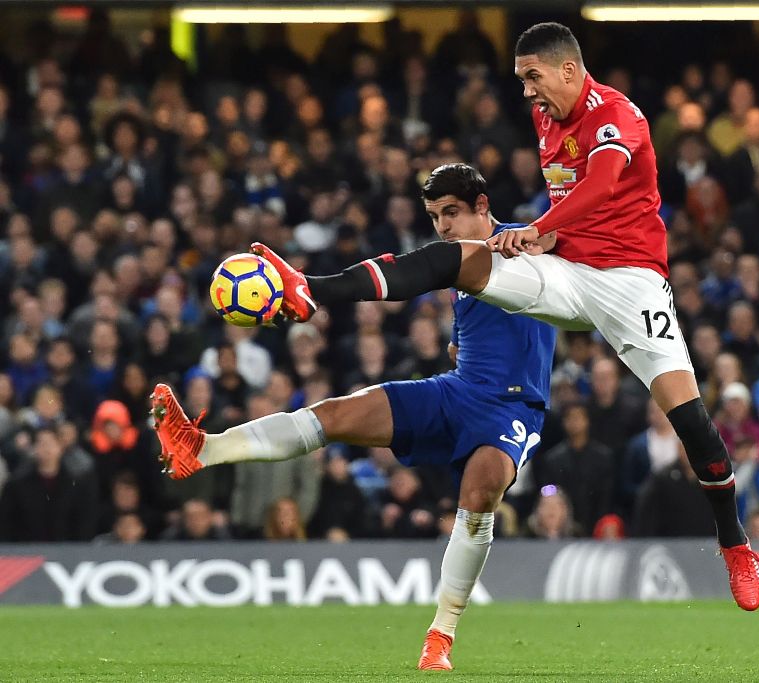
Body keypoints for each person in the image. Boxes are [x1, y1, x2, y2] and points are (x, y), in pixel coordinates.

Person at [249, 21, 759, 612]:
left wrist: (538, 228)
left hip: (632, 284)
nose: (527, 93)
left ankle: (734, 543)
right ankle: (310, 289)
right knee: (458, 260)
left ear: (568, 69)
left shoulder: (619, 117)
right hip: (566, 271)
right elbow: (571, 207)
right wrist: (545, 239)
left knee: (692, 422)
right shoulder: (546, 116)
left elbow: (597, 187)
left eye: (533, 77)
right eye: (521, 80)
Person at [150, 163, 556, 672]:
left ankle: (441, 635)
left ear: (482, 206)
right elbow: (427, 282)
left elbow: (417, 273)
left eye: (451, 214)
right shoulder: (461, 260)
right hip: (458, 390)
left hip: (512, 406)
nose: (444, 227)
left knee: (481, 489)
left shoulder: (529, 239)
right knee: (335, 414)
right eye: (434, 217)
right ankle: (203, 448)